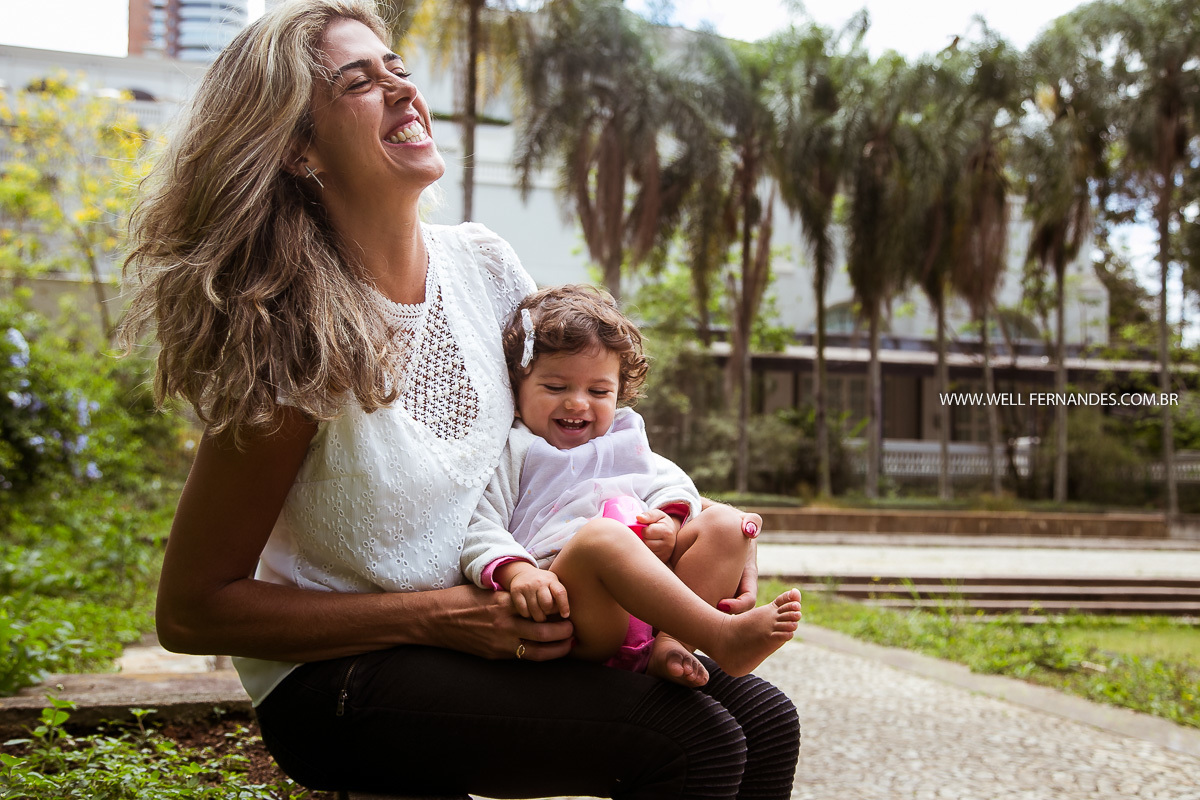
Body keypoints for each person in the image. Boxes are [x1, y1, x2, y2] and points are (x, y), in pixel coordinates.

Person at [117, 1, 801, 797]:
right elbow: (195, 611)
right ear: (301, 148)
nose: (403, 90)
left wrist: (692, 525)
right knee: (691, 740)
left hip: (509, 612)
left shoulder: (484, 267)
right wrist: (441, 614)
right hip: (341, 680)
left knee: (765, 717)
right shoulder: (293, 329)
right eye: (360, 82)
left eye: (398, 68)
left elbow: (563, 434)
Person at [464, 285, 802, 687]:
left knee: (728, 523)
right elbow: (478, 524)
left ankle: (673, 644)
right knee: (602, 538)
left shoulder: (624, 437)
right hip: (574, 607)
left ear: (621, 392)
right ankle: (721, 636)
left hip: (652, 608)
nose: (577, 403)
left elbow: (671, 483)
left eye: (598, 391)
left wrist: (669, 522)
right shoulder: (514, 449)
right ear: (516, 391)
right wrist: (518, 574)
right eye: (556, 388)